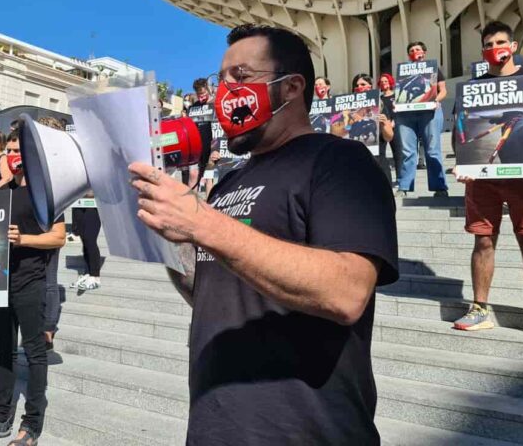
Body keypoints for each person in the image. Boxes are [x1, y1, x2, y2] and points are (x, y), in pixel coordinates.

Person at [129, 24, 399, 444]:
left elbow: (346, 292)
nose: (224, 92)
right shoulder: (227, 183)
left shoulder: (340, 162)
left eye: (240, 77)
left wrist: (202, 223)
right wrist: (168, 233)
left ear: (291, 87)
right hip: (216, 428)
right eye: (221, 81)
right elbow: (209, 291)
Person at [0, 127, 65, 446]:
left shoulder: (46, 192)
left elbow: (59, 237)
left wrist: (25, 239)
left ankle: (31, 424)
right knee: (3, 349)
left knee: (34, 352)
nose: (14, 156)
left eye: (20, 151)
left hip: (29, 281)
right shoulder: (1, 191)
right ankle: (0, 416)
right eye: (10, 151)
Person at [451, 21, 523, 337]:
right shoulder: (473, 88)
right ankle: (480, 309)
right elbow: (460, 129)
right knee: (483, 240)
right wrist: (461, 164)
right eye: (488, 45)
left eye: (500, 42)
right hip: (484, 178)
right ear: (482, 51)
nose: (495, 49)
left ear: (513, 46)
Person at [395, 41, 449, 197]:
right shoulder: (403, 72)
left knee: (432, 150)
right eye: (411, 50)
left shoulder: (433, 69)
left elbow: (443, 90)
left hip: (429, 112)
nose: (414, 52)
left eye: (417, 49)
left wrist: (436, 100)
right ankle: (404, 186)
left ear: (424, 53)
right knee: (407, 151)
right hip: (406, 114)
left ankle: (440, 187)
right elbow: (399, 92)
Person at [36, 117, 66, 351]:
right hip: (32, 216)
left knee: (49, 278)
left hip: (51, 216)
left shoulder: (60, 160)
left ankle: (48, 328)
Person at [351, 74, 395, 181]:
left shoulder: (380, 105)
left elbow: (389, 137)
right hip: (355, 163)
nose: (359, 87)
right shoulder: (348, 110)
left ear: (370, 86)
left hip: (377, 161)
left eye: (363, 84)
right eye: (356, 85)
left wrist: (384, 124)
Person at [70, 194, 101, 291]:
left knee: (90, 239)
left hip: (93, 203)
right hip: (78, 202)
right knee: (84, 239)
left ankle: (95, 276)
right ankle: (87, 272)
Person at [379, 72, 402, 183]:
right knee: (381, 153)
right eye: (382, 82)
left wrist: (394, 122)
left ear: (390, 82)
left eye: (386, 81)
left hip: (396, 127)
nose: (384, 83)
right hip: (383, 129)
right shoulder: (379, 98)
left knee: (398, 153)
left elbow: (400, 111)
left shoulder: (397, 96)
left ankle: (400, 178)